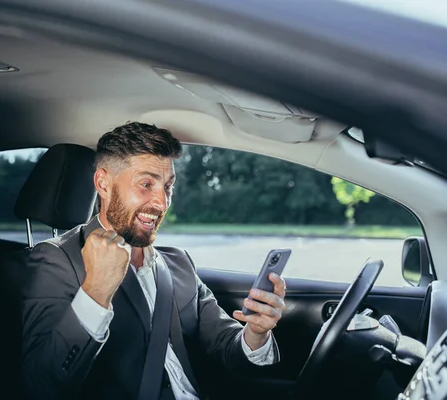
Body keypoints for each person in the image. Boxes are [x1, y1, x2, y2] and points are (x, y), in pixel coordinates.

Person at [21, 122, 286, 400]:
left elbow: (226, 344)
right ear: (103, 183)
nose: (162, 202)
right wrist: (96, 292)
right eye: (146, 184)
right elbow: (41, 385)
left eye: (168, 186)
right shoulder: (57, 259)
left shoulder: (179, 263)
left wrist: (256, 332)